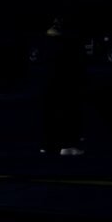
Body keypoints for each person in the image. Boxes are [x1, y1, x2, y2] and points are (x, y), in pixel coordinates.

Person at [38, 17, 87, 156]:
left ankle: (47, 145)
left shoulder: (47, 41)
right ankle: (68, 145)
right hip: (64, 83)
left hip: (47, 82)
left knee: (49, 115)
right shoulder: (68, 43)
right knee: (67, 112)